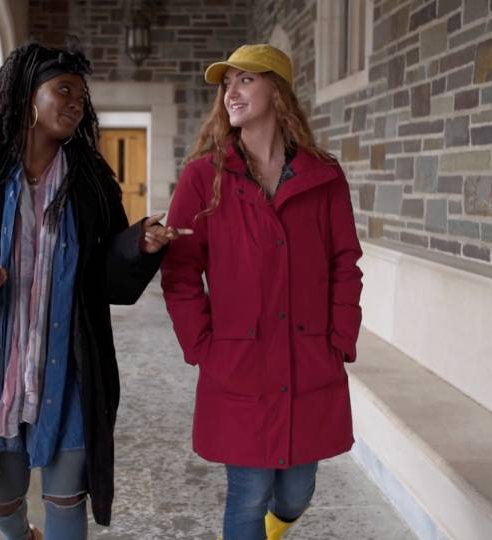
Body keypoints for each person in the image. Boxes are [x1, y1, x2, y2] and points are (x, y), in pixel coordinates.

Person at [0, 41, 187, 540]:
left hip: (72, 367)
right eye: (62, 90)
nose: (75, 103)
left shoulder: (90, 184)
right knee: (1, 496)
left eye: (80, 97)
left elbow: (105, 276)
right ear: (25, 98)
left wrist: (137, 246)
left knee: (67, 496)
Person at [160, 44, 364, 540]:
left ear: (278, 90)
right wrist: (202, 344)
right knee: (248, 493)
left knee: (297, 490)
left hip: (308, 354)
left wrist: (339, 337)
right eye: (226, 83)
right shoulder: (202, 177)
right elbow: (181, 272)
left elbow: (345, 263)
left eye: (246, 80)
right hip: (239, 360)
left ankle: (279, 527)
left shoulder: (324, 176)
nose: (231, 91)